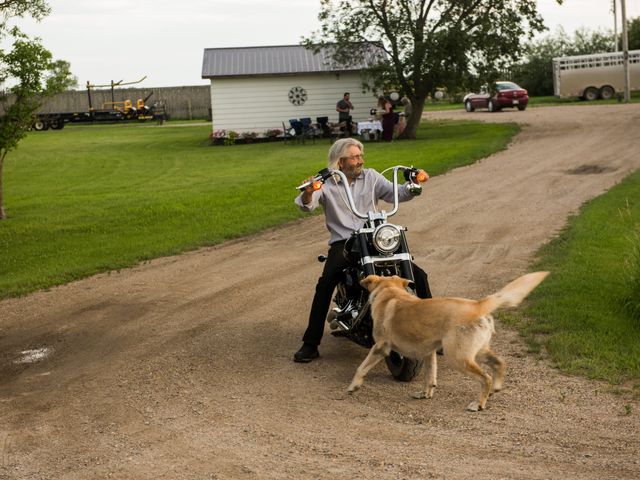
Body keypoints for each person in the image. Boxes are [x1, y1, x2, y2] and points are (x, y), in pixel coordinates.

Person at [292, 138, 433, 363]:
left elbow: (395, 192)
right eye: (355, 157)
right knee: (326, 282)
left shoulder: (371, 176)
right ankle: (310, 343)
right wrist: (309, 191)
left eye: (360, 156)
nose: (361, 160)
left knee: (419, 275)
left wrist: (413, 185)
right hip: (345, 242)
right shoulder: (327, 183)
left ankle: (432, 334)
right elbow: (305, 204)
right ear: (340, 162)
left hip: (374, 238)